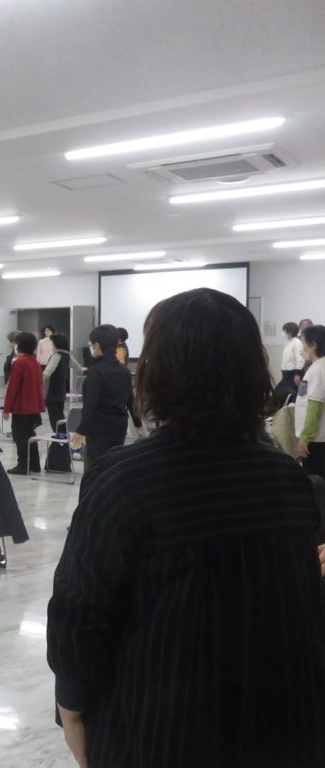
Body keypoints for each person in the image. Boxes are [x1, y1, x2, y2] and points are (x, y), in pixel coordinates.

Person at [48, 288, 325, 768]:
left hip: (165, 731)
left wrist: (71, 709)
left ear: (157, 370)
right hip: (286, 726)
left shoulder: (123, 480)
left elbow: (81, 611)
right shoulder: (287, 478)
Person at [71, 325, 145, 472]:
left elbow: (91, 404)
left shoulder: (95, 372)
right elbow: (131, 400)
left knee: (95, 469)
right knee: (112, 467)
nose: (91, 348)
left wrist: (81, 430)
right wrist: (139, 425)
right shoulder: (124, 371)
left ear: (97, 346)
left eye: (91, 345)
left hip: (98, 429)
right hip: (119, 427)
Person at [3, 332, 44, 475]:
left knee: (20, 436)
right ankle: (34, 463)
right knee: (30, 434)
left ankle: (23, 464)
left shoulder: (19, 362)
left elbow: (13, 388)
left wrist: (7, 408)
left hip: (21, 406)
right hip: (33, 405)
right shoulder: (35, 361)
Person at [296, 324, 325, 479]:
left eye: (303, 344)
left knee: (315, 479)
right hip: (318, 437)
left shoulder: (318, 370)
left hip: (315, 440)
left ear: (313, 345)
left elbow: (314, 407)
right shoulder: (318, 366)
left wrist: (305, 438)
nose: (302, 349)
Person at [42, 332, 72, 432]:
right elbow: (78, 367)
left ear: (56, 344)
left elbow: (47, 373)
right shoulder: (67, 355)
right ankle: (63, 435)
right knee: (60, 415)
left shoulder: (56, 355)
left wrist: (40, 388)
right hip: (61, 391)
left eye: (52, 343)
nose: (51, 345)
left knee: (54, 417)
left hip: (52, 392)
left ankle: (58, 437)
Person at [281, 321, 306, 391]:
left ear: (290, 332)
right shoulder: (289, 342)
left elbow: (300, 359)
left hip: (293, 372)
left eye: (284, 330)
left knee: (293, 392)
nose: (282, 332)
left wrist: (297, 374)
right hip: (286, 372)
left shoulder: (297, 342)